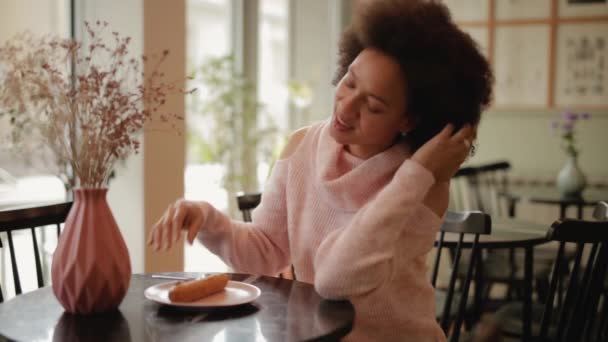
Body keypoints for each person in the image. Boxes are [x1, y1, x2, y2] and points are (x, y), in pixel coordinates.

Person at [148, 0, 493, 340]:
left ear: (408, 120)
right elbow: (265, 250)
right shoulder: (302, 146)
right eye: (350, 81)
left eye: (372, 106)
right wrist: (207, 219)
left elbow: (336, 279)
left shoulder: (421, 181)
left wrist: (417, 173)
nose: (346, 106)